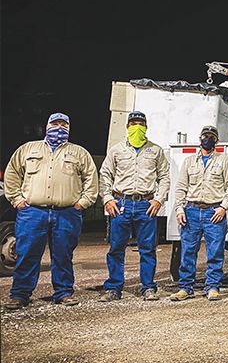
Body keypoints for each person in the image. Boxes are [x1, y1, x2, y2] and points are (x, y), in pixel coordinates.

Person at [3, 113, 98, 310]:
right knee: (27, 253)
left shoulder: (79, 153)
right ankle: (20, 294)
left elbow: (91, 179)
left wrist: (82, 203)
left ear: (69, 129)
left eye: (64, 124)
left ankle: (63, 293)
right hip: (32, 212)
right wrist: (17, 199)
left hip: (67, 212)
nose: (59, 127)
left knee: (63, 255)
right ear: (47, 126)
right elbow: (12, 174)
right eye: (55, 123)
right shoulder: (28, 149)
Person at [98, 111, 170, 302]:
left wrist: (158, 199)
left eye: (140, 123)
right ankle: (114, 287)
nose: (137, 127)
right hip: (121, 203)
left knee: (147, 248)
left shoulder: (156, 150)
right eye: (133, 123)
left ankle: (147, 287)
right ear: (127, 126)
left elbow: (164, 177)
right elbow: (105, 175)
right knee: (116, 248)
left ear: (146, 127)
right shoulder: (116, 150)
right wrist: (107, 198)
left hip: (146, 205)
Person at [171, 125, 228, 302]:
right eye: (205, 136)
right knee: (188, 251)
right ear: (199, 139)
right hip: (191, 210)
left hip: (213, 211)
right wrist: (179, 209)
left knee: (215, 252)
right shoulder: (189, 161)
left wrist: (223, 207)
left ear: (217, 141)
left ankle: (213, 287)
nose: (207, 139)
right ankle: (186, 288)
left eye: (211, 136)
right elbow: (181, 187)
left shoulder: (224, 161)